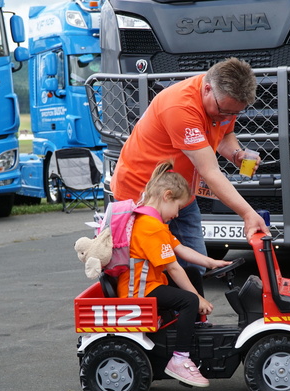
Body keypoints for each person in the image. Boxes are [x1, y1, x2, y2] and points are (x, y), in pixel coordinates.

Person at [110, 57, 270, 273]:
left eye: (235, 113)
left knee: (194, 267)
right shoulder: (181, 108)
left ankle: (190, 305)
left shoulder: (223, 102)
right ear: (206, 89)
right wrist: (248, 214)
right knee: (152, 271)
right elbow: (210, 171)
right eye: (224, 110)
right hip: (143, 195)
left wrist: (236, 154)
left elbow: (225, 133)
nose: (228, 116)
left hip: (180, 193)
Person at [117, 160, 231, 388]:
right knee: (188, 299)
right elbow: (173, 267)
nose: (178, 214)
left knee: (193, 273)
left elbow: (182, 250)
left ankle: (194, 329)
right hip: (140, 290)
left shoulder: (153, 222)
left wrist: (212, 263)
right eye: (178, 207)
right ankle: (180, 359)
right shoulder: (151, 227)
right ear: (167, 196)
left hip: (147, 283)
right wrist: (198, 299)